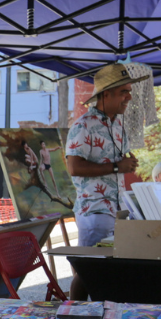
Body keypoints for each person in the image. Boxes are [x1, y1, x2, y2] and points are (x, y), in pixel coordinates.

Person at [65, 63, 147, 299]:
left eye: (129, 91)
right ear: (106, 94)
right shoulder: (83, 125)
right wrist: (116, 166)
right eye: (124, 92)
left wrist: (127, 163)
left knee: (106, 272)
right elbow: (74, 167)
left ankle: (101, 314)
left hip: (117, 211)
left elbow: (119, 162)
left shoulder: (117, 124)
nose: (129, 97)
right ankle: (74, 313)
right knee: (86, 271)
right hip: (94, 211)